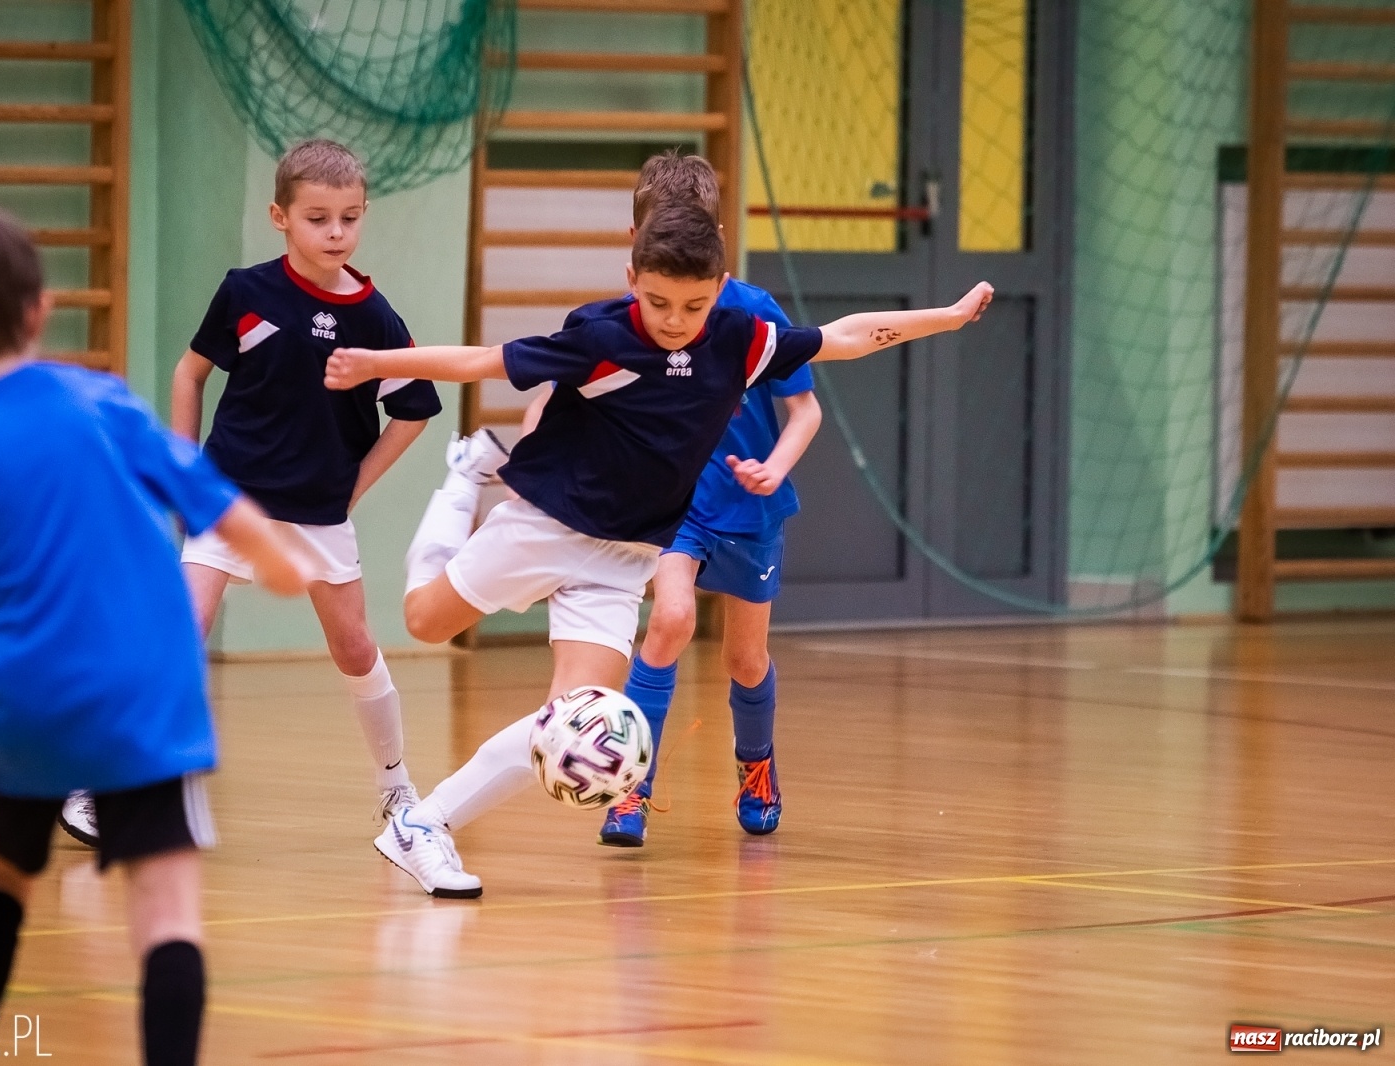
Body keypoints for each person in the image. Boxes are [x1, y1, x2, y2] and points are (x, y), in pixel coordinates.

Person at [323, 200, 993, 898]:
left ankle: (424, 825)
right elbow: (483, 361)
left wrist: (944, 319)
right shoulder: (602, 337)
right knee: (424, 623)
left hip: (628, 554)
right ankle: (463, 479)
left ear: (721, 286)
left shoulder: (739, 336)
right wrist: (377, 362)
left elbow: (843, 337)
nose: (675, 320)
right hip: (548, 522)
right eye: (658, 301)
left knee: (571, 721)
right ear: (631, 276)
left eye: (694, 304)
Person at [0, 205, 312, 1064]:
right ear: (40, 310)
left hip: (25, 700)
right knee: (168, 907)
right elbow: (213, 496)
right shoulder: (101, 399)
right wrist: (281, 563)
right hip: (145, 689)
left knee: (4, 872)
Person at [60, 139, 441, 846]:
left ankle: (396, 788)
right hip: (229, 499)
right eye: (319, 218)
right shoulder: (247, 292)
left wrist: (352, 486)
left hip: (318, 512)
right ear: (279, 217)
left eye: (350, 219)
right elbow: (188, 373)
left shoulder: (374, 317)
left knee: (355, 647)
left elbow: (414, 411)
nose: (336, 234)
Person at [523, 150, 823, 846]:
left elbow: (805, 411)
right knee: (669, 622)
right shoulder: (627, 322)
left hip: (747, 508)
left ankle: (757, 766)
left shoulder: (750, 314)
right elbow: (557, 392)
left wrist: (775, 467)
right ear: (638, 241)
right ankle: (629, 787)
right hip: (671, 502)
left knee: (746, 660)